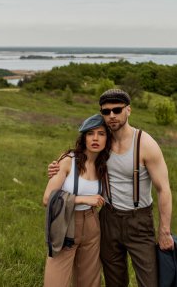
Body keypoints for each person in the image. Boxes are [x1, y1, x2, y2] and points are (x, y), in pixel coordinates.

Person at [48, 89, 174, 287]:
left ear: (128, 110)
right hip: (108, 218)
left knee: (150, 281)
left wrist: (165, 231)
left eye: (117, 109)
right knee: (114, 280)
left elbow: (164, 189)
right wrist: (58, 166)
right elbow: (80, 157)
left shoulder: (145, 144)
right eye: (106, 112)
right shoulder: (103, 143)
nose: (112, 115)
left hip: (139, 221)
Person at [43, 113, 111, 287]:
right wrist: (83, 199)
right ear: (84, 137)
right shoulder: (68, 161)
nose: (95, 138)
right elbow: (47, 198)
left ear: (107, 139)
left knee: (89, 281)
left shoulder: (105, 165)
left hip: (91, 225)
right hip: (66, 224)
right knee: (55, 282)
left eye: (101, 134)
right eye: (90, 133)